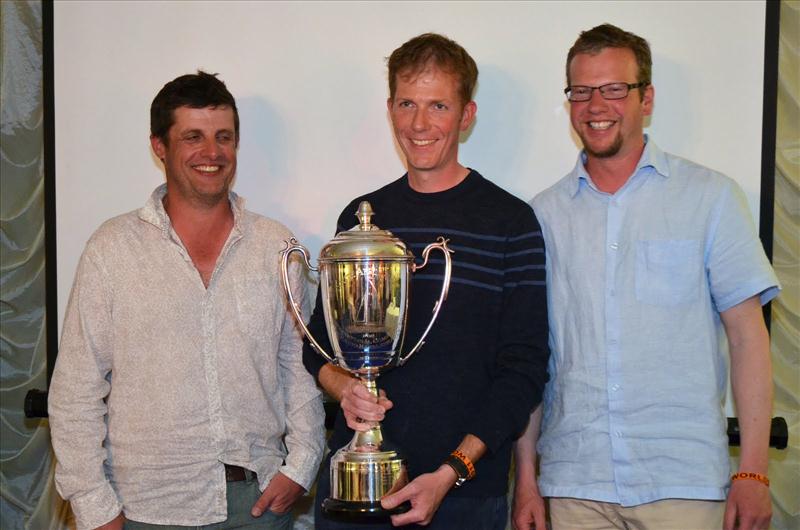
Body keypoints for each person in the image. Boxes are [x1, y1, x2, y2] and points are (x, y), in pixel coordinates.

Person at [512, 23, 779, 530]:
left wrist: (755, 472)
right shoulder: (541, 216)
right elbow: (532, 355)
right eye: (582, 91)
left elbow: (749, 338)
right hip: (574, 484)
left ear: (646, 97)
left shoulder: (711, 198)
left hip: (683, 484)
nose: (597, 105)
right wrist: (527, 479)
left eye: (614, 89)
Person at [48, 71, 325, 530]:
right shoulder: (112, 248)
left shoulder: (276, 246)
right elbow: (76, 389)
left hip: (256, 506)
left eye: (224, 137)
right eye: (192, 137)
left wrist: (302, 463)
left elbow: (298, 368)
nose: (212, 153)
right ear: (160, 146)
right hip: (140, 511)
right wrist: (94, 506)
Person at [301, 33, 550, 529]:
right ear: (390, 108)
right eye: (407, 104)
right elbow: (319, 348)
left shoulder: (510, 222)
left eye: (438, 105)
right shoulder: (362, 218)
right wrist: (344, 385)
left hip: (465, 496)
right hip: (355, 492)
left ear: (467, 114)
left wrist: (451, 471)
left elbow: (523, 370)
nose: (420, 124)